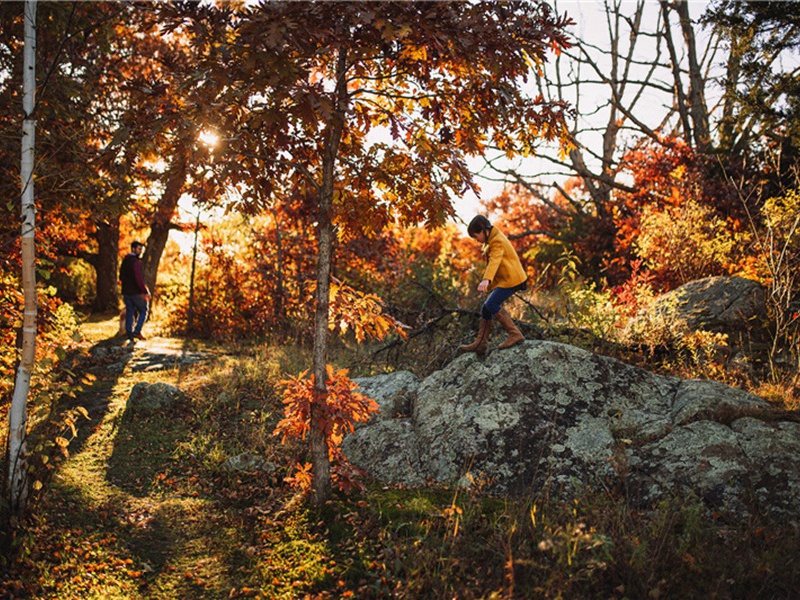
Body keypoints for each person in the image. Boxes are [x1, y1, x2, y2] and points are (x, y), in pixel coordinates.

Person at [460, 215, 526, 355]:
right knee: (486, 308)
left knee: (491, 304)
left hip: (512, 279)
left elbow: (495, 260)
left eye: (476, 235)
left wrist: (486, 279)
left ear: (483, 230)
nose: (476, 240)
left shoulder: (497, 241)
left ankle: (514, 334)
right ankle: (480, 344)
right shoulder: (492, 239)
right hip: (507, 279)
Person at [119, 241, 151, 341]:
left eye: (141, 249)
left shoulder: (125, 261)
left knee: (130, 311)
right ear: (133, 249)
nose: (140, 251)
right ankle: (136, 331)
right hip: (136, 292)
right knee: (143, 310)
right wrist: (145, 291)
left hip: (126, 292)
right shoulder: (136, 262)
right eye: (138, 249)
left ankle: (129, 334)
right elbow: (139, 279)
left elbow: (121, 276)